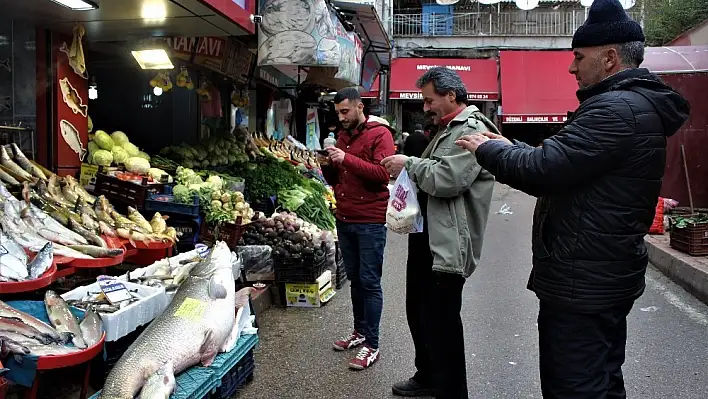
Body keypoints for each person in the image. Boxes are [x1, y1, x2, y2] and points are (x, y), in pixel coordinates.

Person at [455, 1, 691, 398]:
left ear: (610, 58)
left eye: (579, 57)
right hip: (604, 275)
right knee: (603, 378)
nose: (571, 67)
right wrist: (509, 145)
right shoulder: (630, 106)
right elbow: (566, 161)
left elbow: (543, 170)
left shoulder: (616, 109)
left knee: (576, 386)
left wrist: (486, 149)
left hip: (585, 283)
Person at [381, 67, 496, 398]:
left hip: (447, 244)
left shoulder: (471, 129)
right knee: (418, 312)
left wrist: (410, 164)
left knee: (441, 322)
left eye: (430, 100)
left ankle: (450, 390)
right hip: (428, 236)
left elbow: (448, 180)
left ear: (451, 95)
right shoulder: (446, 130)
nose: (426, 107)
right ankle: (428, 375)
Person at [320, 87, 395, 370]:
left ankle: (372, 345)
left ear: (360, 107)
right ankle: (359, 331)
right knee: (355, 279)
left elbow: (383, 174)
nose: (341, 118)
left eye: (345, 111)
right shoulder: (342, 136)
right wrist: (327, 164)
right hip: (346, 218)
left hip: (370, 221)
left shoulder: (380, 134)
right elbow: (339, 175)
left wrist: (346, 159)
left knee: (370, 281)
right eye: (338, 112)